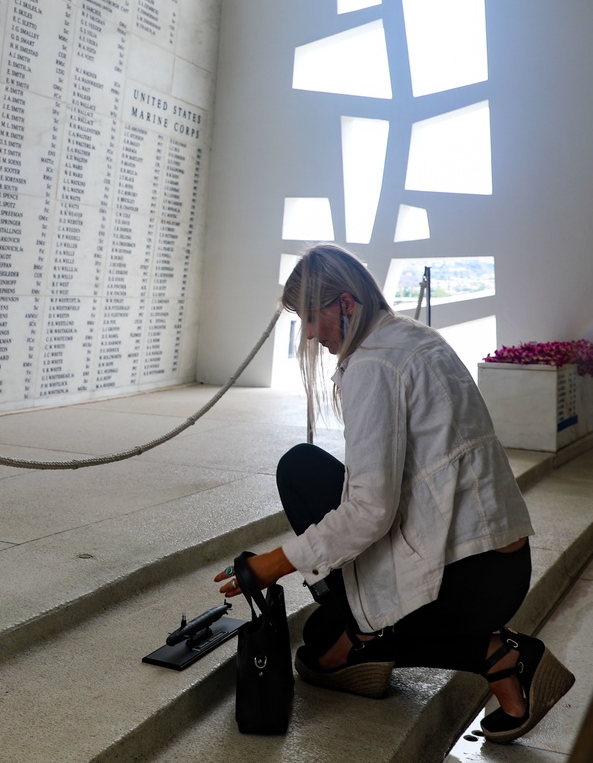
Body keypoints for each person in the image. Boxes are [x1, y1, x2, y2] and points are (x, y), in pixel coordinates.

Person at [213, 243, 574, 744]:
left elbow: (370, 511)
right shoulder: (414, 337)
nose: (312, 335)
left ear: (345, 302)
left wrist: (273, 564)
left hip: (466, 580)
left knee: (321, 647)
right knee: (305, 476)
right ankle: (391, 638)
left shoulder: (373, 364)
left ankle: (499, 654)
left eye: (313, 318)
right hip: (500, 564)